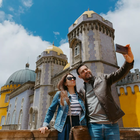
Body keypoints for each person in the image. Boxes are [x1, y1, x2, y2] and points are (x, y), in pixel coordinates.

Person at [76, 44, 134, 140]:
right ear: (79, 76)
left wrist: (129, 61)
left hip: (111, 125)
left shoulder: (103, 79)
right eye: (82, 71)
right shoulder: (82, 90)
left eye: (86, 69)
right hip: (94, 127)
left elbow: (119, 73)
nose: (86, 71)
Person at [38, 73, 87, 140]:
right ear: (65, 83)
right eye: (69, 78)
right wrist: (45, 125)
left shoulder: (80, 95)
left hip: (79, 123)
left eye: (74, 78)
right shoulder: (59, 94)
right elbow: (51, 110)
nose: (72, 79)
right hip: (64, 124)